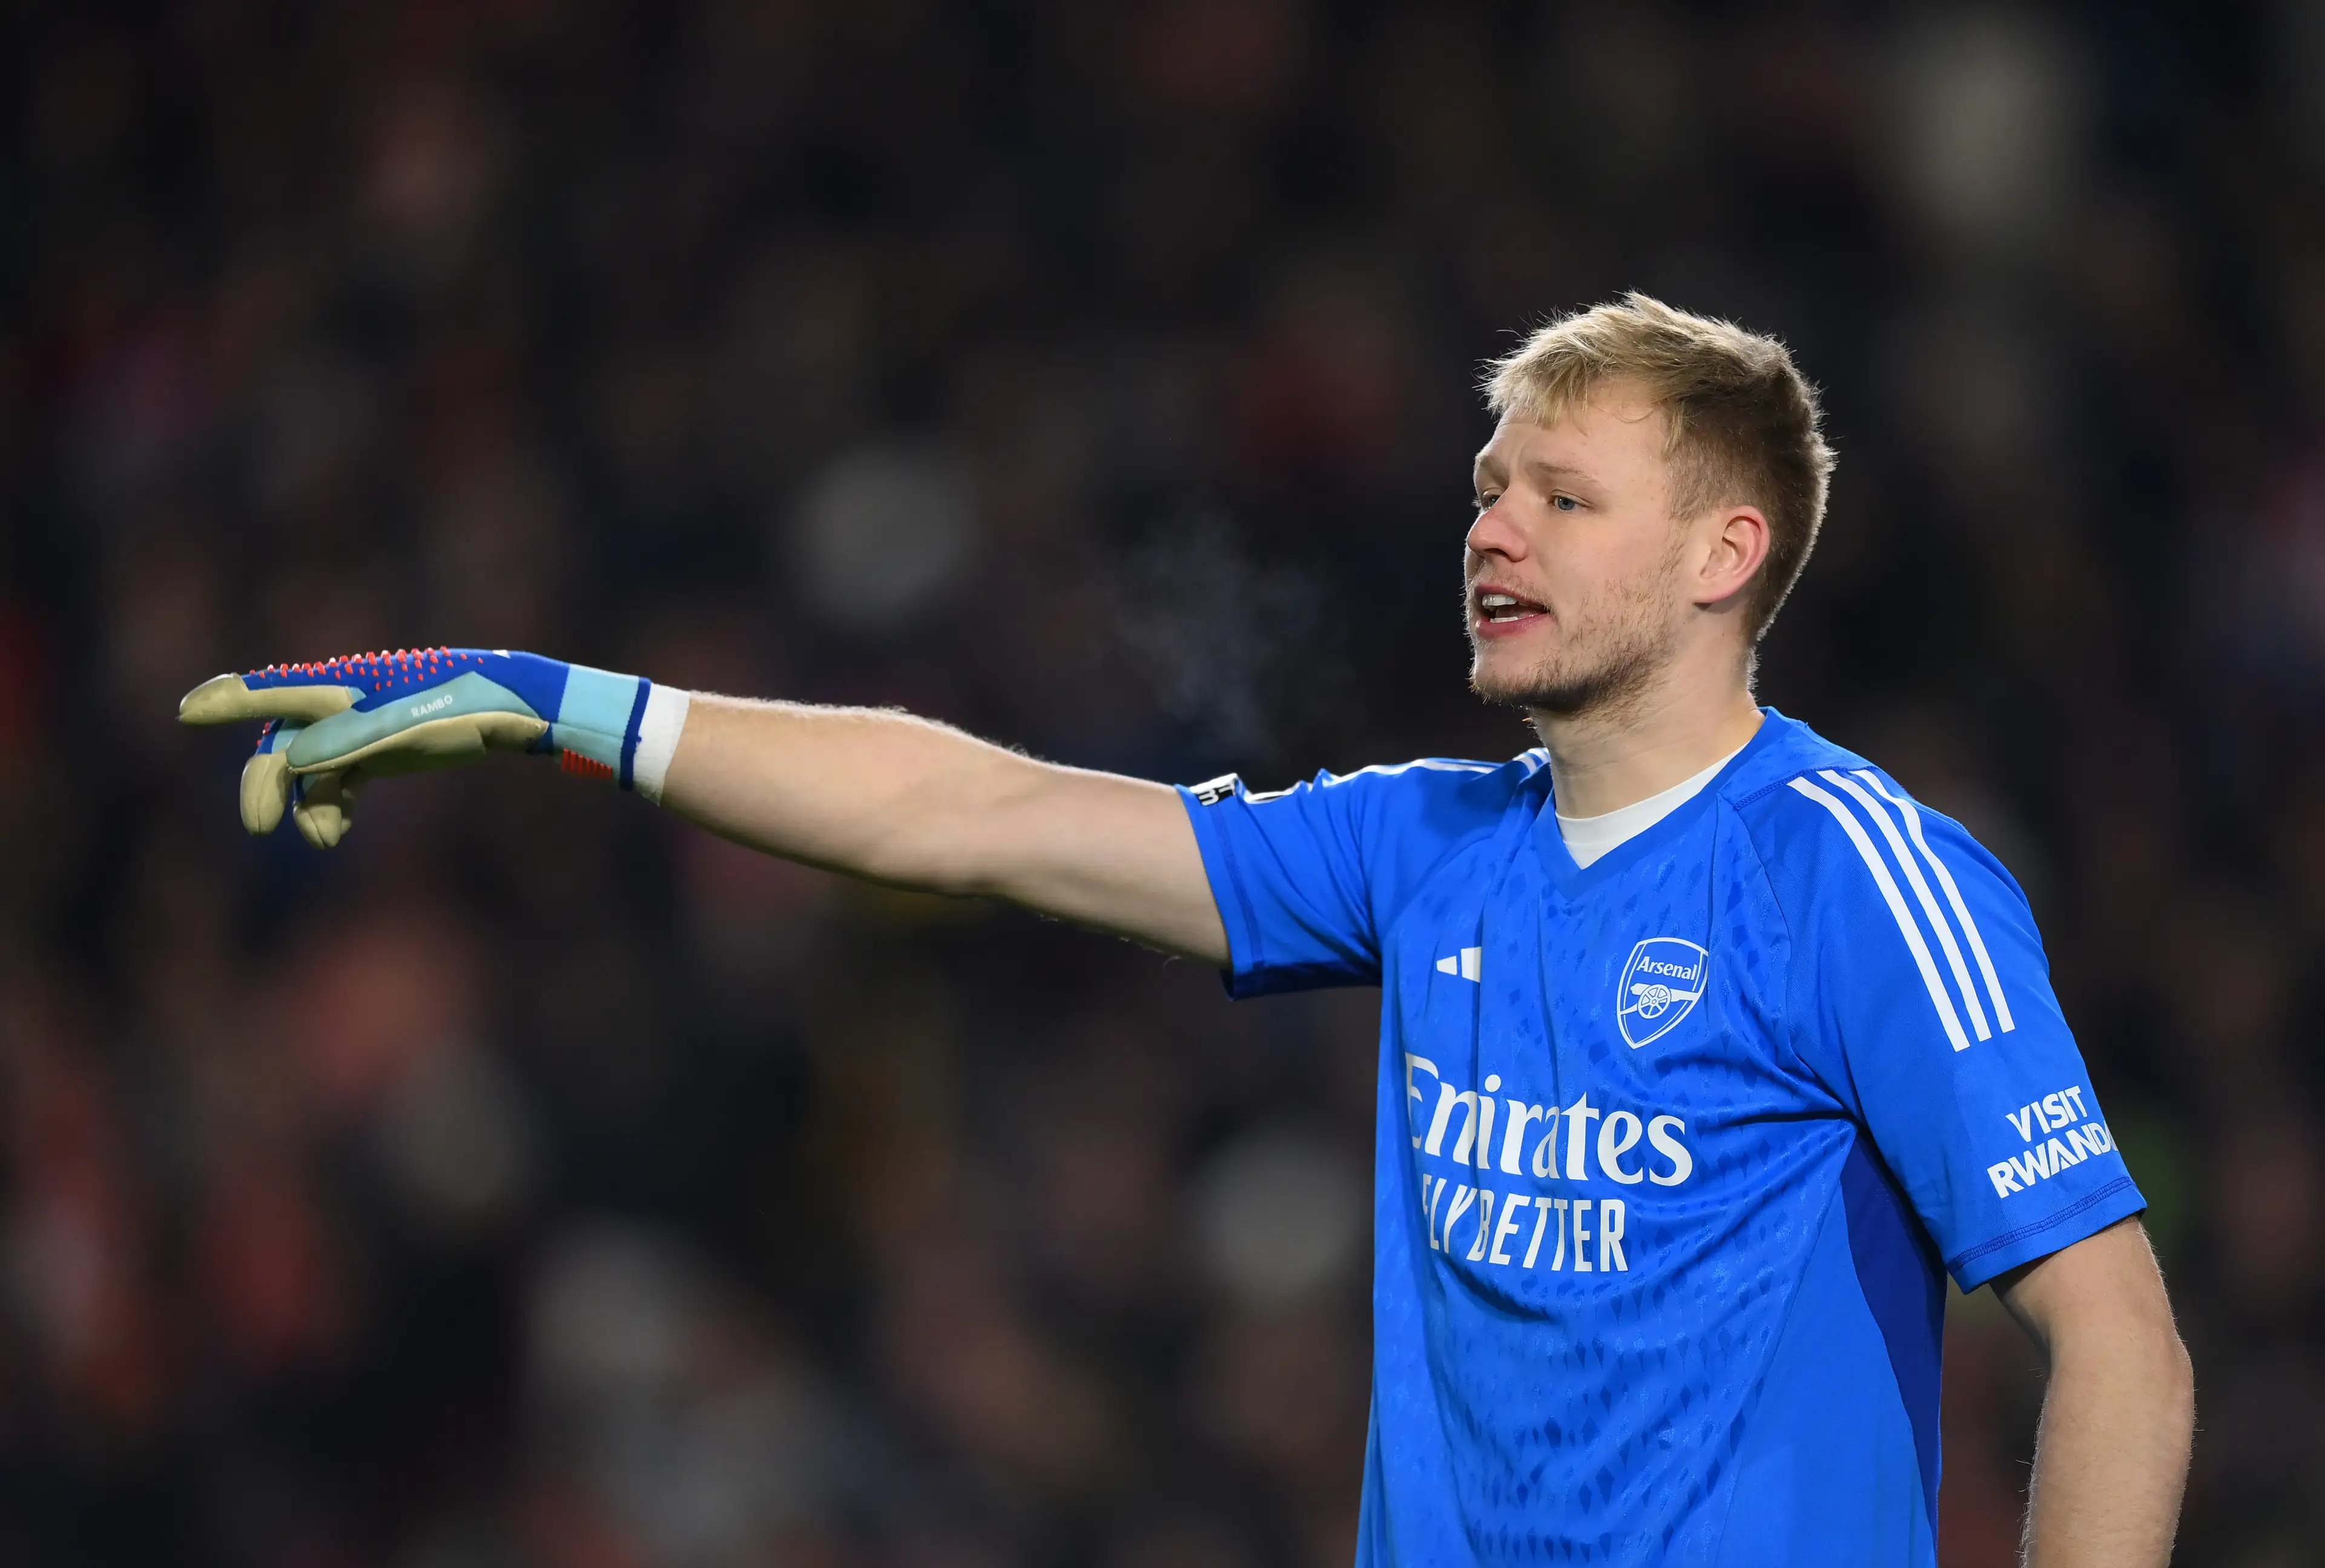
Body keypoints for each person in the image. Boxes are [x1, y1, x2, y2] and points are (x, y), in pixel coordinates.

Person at [180, 294, 2194, 1566]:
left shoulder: (1857, 872)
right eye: (1488, 488)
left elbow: (2118, 1337)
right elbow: (970, 811)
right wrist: (571, 702)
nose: (1490, 528)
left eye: (1563, 499)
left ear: (1722, 555)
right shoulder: (1425, 851)